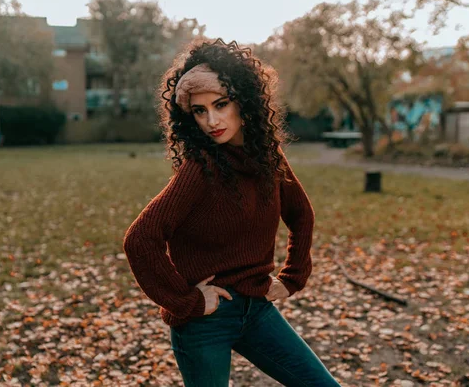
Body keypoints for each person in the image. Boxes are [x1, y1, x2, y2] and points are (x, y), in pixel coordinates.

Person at [122, 38, 341, 387]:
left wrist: (293, 277)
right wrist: (186, 301)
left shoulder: (268, 159)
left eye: (221, 104)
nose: (212, 120)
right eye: (199, 111)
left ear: (244, 100)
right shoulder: (200, 167)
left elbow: (300, 214)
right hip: (205, 320)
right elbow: (140, 239)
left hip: (257, 310)